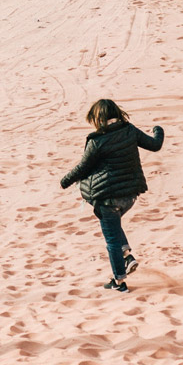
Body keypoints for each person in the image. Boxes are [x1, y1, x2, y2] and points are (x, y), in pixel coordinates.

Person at [60, 99, 165, 293]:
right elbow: (155, 145)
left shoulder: (97, 141)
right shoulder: (129, 130)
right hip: (129, 197)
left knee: (112, 241)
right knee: (114, 225)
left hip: (107, 198)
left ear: (97, 118)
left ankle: (119, 282)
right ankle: (127, 256)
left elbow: (83, 167)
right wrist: (158, 129)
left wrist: (65, 181)